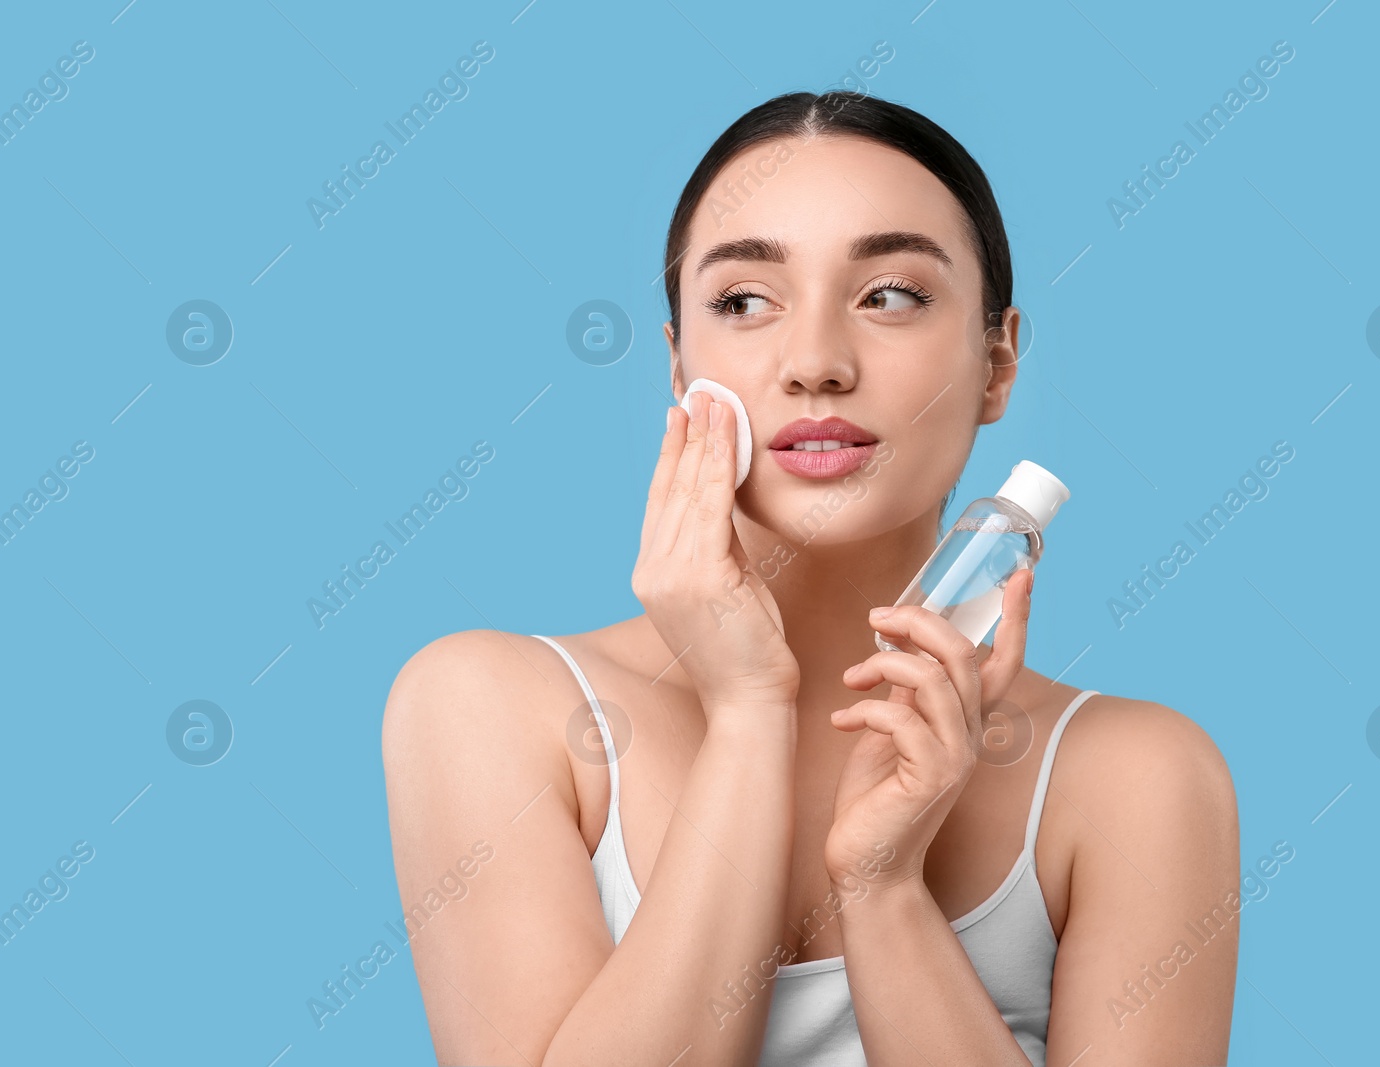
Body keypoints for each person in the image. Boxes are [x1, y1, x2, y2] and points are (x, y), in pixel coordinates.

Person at [382, 90, 1239, 1066]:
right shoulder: (490, 708)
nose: (816, 363)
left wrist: (883, 887)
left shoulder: (1135, 777)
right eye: (744, 301)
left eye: (890, 294)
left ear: (996, 362)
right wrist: (748, 709)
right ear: (678, 365)